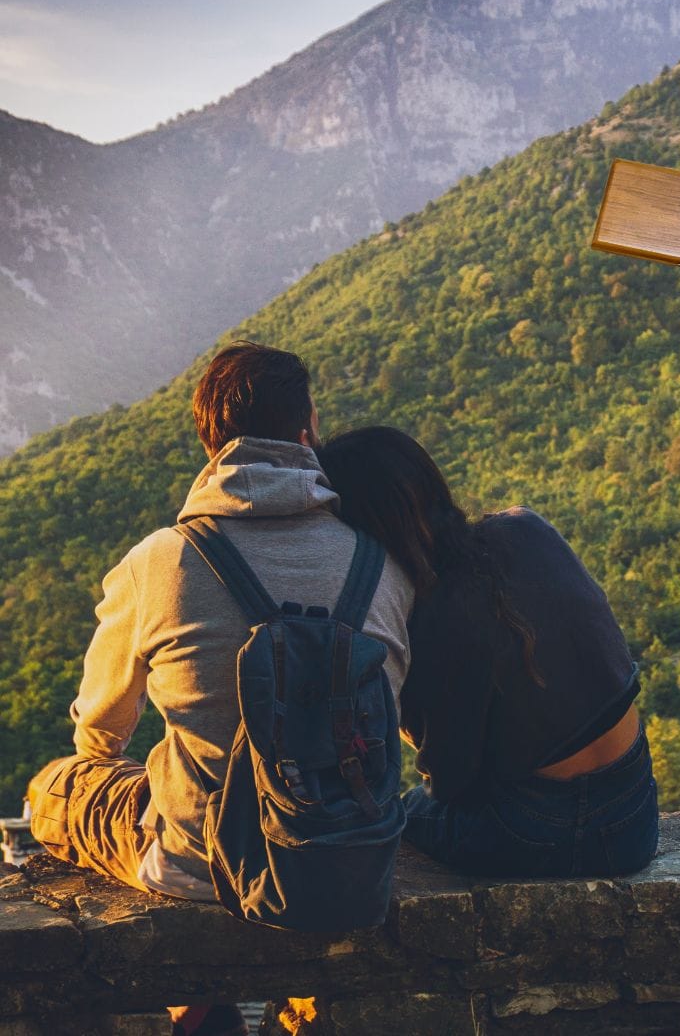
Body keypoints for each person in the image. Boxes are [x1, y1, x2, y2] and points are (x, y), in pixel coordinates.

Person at [26, 344, 413, 1009]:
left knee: (55, 787)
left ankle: (198, 1014)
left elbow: (100, 726)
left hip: (196, 863)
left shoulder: (162, 561)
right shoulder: (382, 566)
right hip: (344, 857)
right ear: (307, 429)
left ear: (210, 441)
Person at [317, 426, 658, 878]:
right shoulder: (526, 528)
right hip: (637, 814)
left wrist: (401, 708)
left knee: (400, 813)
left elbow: (451, 784)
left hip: (538, 830)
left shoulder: (434, 616)